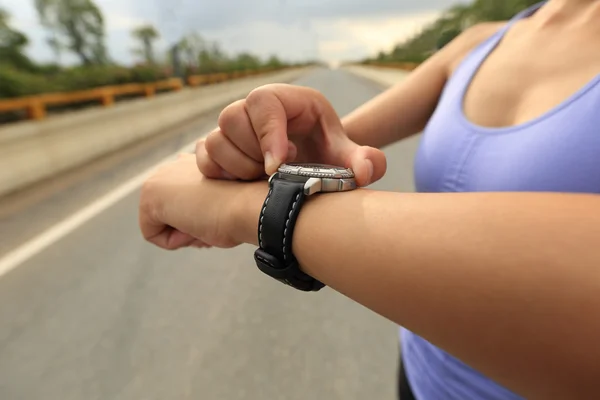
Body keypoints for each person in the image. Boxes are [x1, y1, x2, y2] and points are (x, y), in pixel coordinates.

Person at [138, 0, 600, 398]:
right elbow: (333, 148)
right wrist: (271, 150)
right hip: (419, 378)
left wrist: (240, 211)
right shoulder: (480, 41)